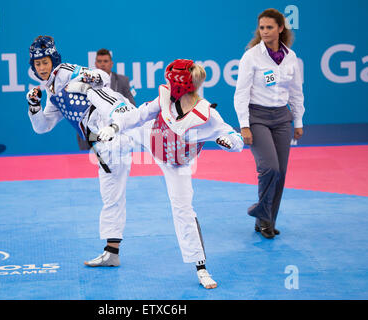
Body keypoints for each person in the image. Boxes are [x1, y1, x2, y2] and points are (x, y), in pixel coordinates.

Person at [96, 59, 244, 289]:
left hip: (177, 164)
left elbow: (237, 140)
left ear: (179, 84)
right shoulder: (165, 98)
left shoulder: (207, 115)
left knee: (183, 210)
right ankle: (93, 90)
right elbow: (139, 115)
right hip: (151, 137)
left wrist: (228, 142)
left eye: (170, 79)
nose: (166, 82)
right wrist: (114, 127)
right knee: (121, 110)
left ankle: (201, 267)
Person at [26, 35, 137, 267]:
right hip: (103, 143)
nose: (42, 67)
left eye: (45, 62)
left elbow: (104, 77)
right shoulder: (52, 94)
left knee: (154, 132)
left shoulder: (66, 71)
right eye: (38, 64)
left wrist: (86, 79)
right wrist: (34, 107)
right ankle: (112, 253)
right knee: (111, 197)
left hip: (116, 119)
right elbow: (42, 127)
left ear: (53, 59)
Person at [233, 8, 305, 239]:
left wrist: (298, 120)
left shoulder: (291, 57)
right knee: (270, 168)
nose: (264, 32)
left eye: (269, 27)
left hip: (282, 119)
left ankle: (266, 220)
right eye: (261, 28)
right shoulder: (251, 56)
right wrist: (244, 125)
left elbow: (296, 92)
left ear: (280, 29)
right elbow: (241, 93)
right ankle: (261, 212)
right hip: (257, 118)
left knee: (281, 173)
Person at [76, 48, 136, 150]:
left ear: (111, 64)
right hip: (94, 130)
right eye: (99, 61)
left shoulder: (122, 81)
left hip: (116, 129)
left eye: (105, 61)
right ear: (95, 64)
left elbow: (132, 105)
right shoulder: (86, 82)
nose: (102, 64)